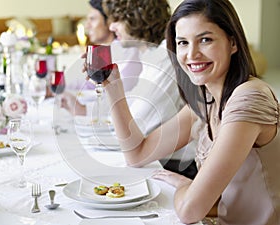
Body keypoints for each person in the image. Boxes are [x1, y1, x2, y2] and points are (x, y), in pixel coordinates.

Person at [102, 0, 280, 224]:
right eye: (183, 43)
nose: (192, 54)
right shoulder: (205, 102)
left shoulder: (249, 96)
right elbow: (137, 154)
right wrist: (113, 87)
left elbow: (189, 211)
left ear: (232, 43)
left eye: (205, 40)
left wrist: (187, 185)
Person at [62, 0, 197, 177]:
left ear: (136, 18)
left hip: (173, 168)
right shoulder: (151, 56)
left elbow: (138, 127)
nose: (111, 27)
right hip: (151, 159)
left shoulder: (166, 59)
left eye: (117, 19)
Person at [65, 0, 142, 92]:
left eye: (92, 19)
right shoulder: (101, 51)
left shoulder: (126, 50)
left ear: (109, 21)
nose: (87, 26)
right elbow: (83, 84)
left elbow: (124, 89)